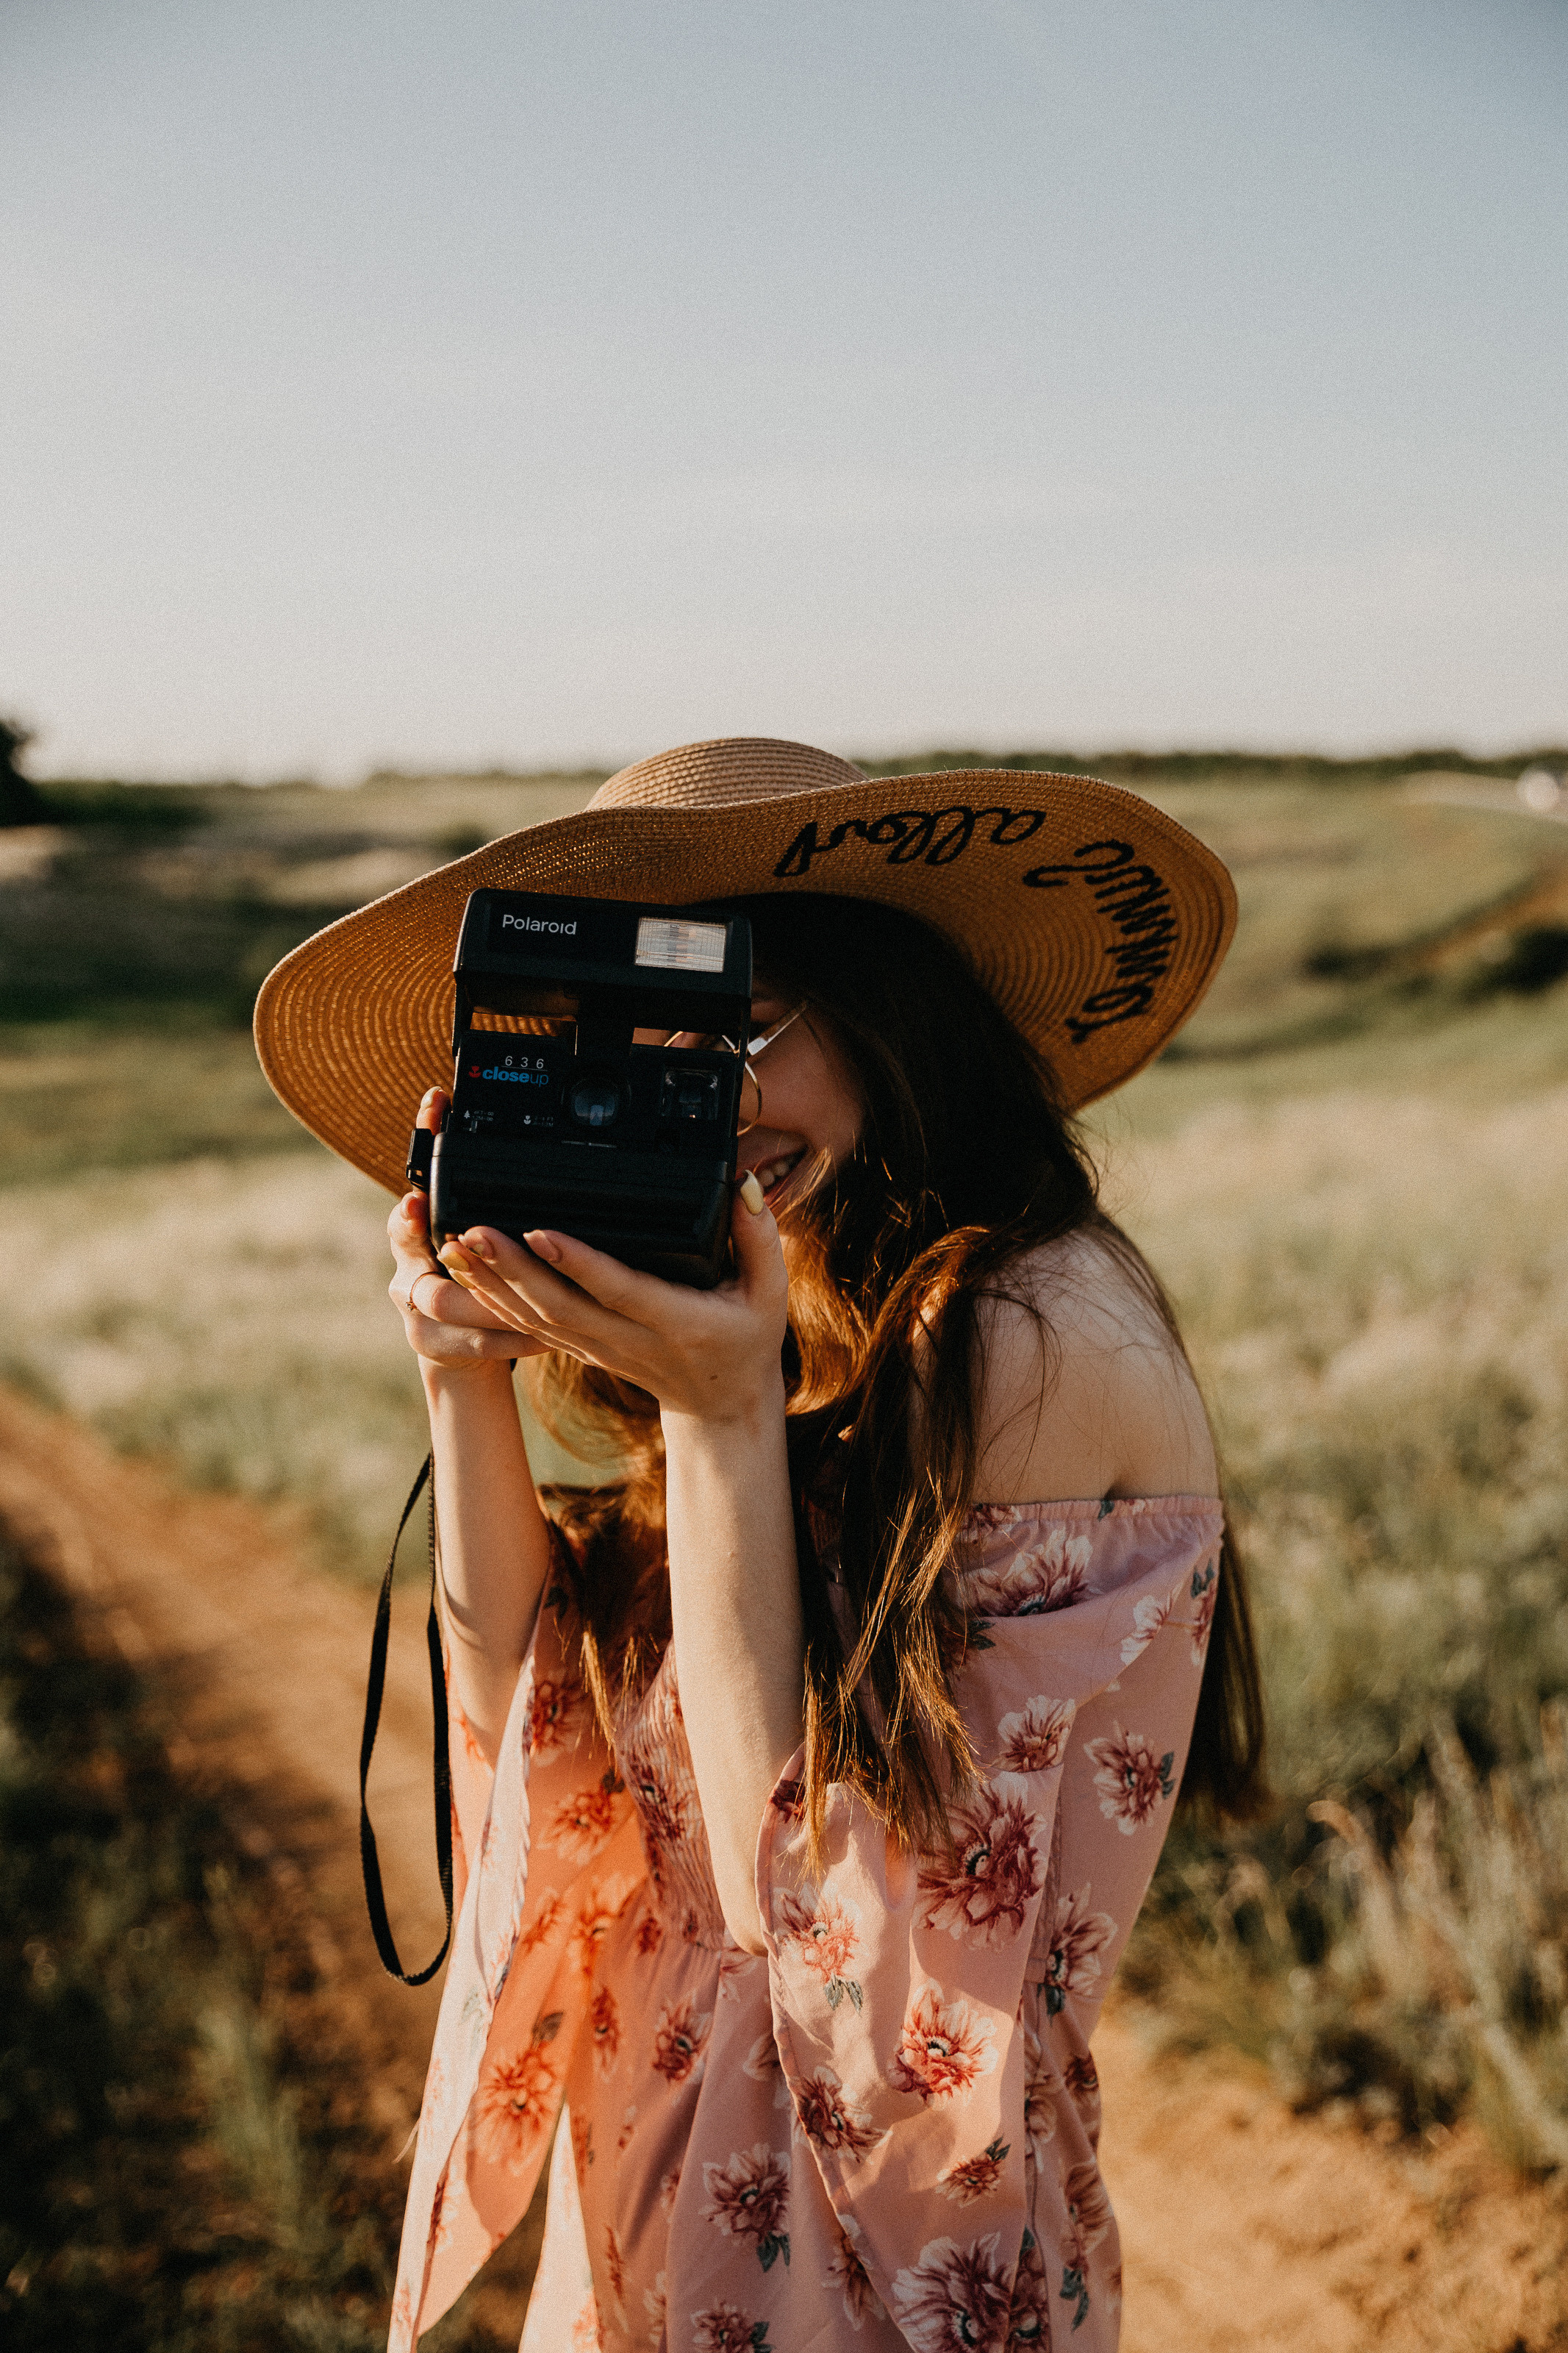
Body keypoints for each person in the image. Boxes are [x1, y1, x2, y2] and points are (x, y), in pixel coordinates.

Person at [254, 738, 1265, 2353]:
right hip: (652, 2186)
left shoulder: (1020, 1333)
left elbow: (801, 1906)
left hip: (874, 2243)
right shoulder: (792, 1311)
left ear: (884, 1010)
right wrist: (464, 1374)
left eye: (736, 1027)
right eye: (621, 1049)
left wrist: (715, 1412)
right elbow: (528, 1725)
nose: (699, 1106)